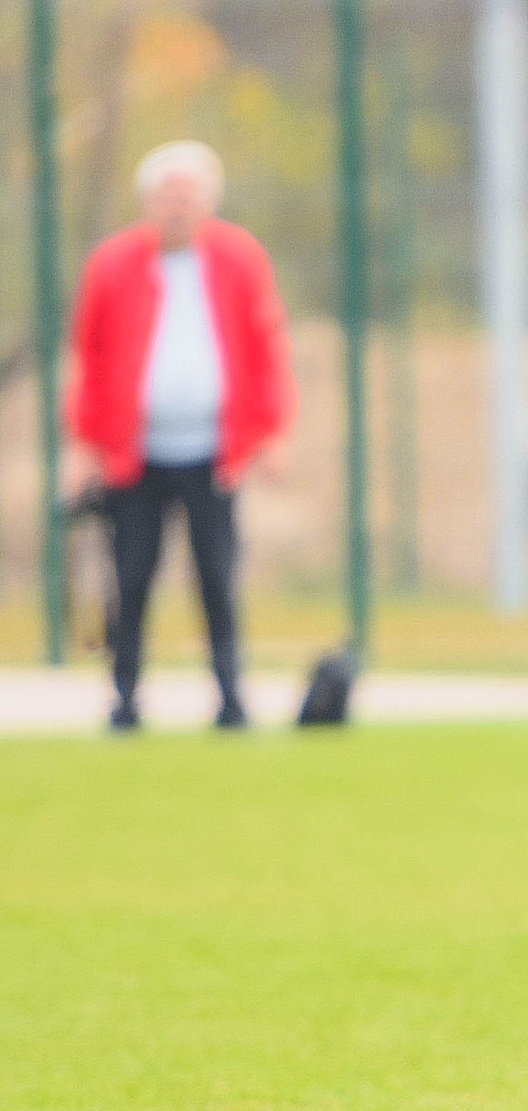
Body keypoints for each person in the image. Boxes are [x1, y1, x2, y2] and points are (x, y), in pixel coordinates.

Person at [68, 140, 294, 732]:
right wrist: (86, 445)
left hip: (213, 453)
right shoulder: (113, 265)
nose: (177, 207)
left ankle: (229, 695)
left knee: (216, 574)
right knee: (132, 575)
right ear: (147, 202)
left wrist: (269, 434)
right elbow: (89, 359)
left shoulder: (239, 260)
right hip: (133, 454)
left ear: (208, 201)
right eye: (167, 196)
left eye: (188, 196)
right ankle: (124, 696)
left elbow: (266, 349)